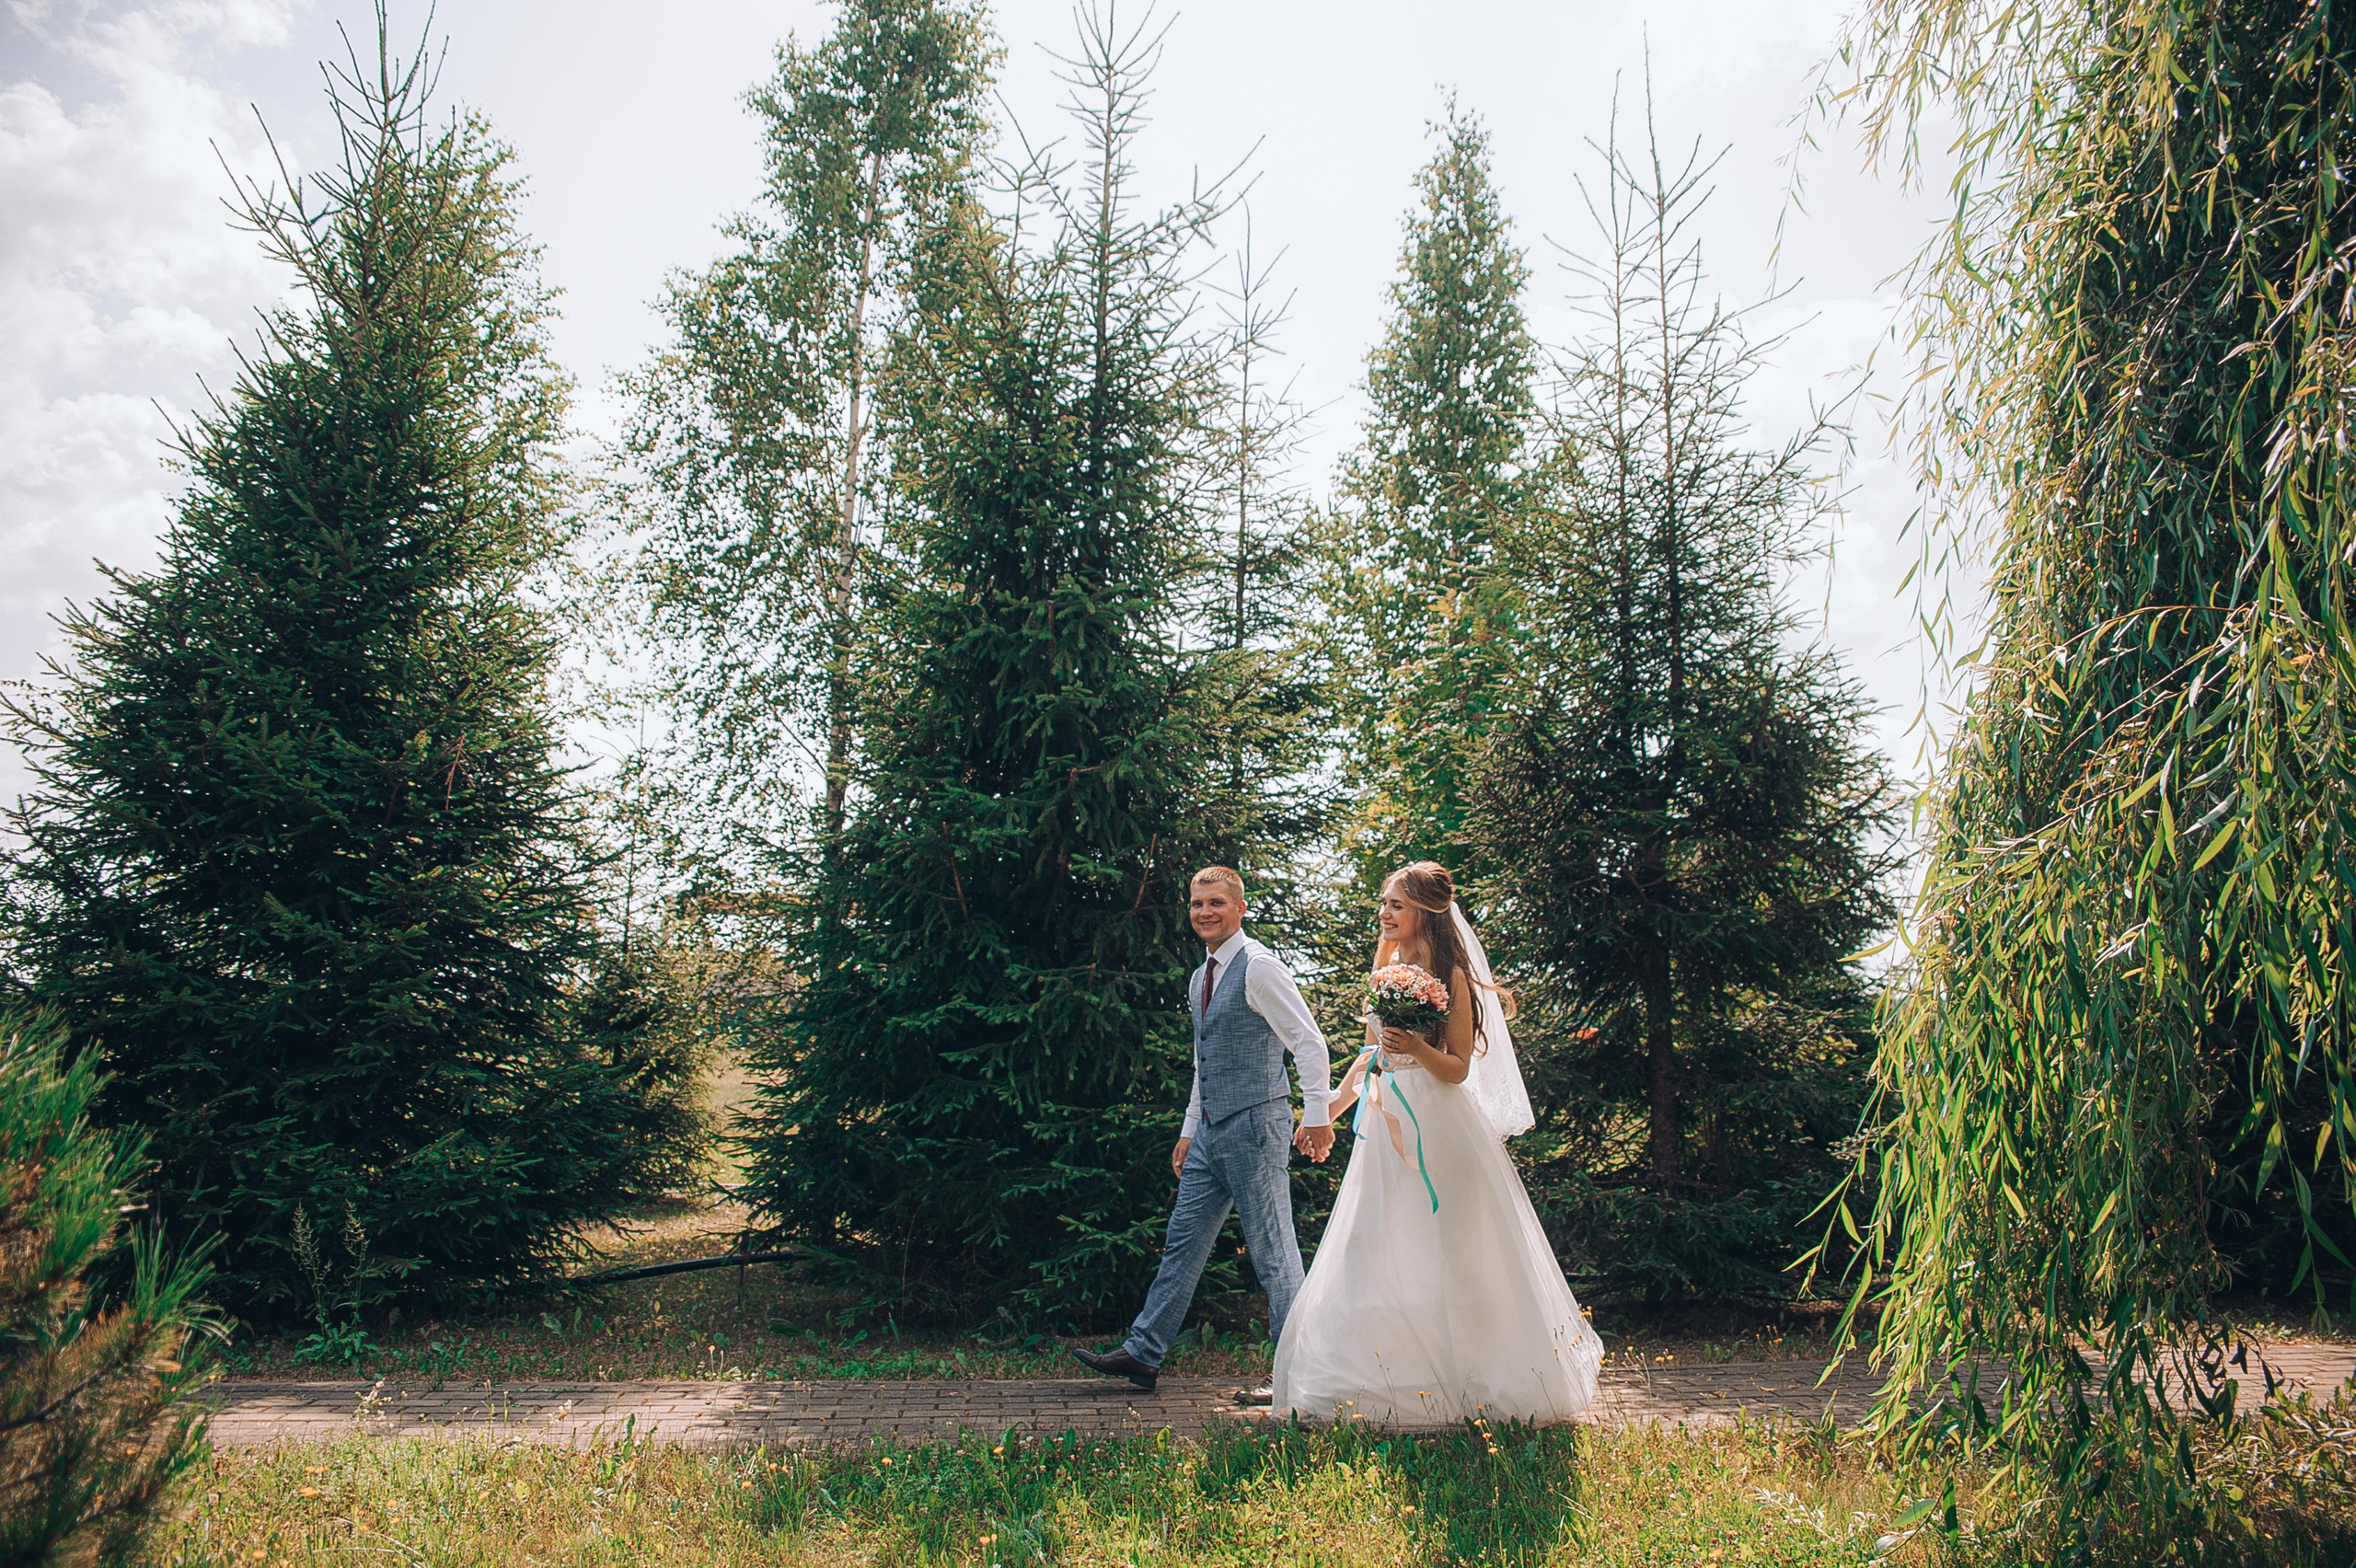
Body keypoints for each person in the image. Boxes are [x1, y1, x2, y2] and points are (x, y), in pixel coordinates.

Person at [1273, 860, 1601, 1426]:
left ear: (1424, 911)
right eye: (1385, 904)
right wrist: (1324, 1113)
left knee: (1454, 1252)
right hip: (1384, 1126)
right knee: (1373, 1245)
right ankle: (1370, 1378)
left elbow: (1454, 1070)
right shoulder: (1386, 966)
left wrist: (1414, 1047)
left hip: (1440, 1125)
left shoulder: (1451, 975)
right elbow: (1369, 1056)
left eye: (1395, 905)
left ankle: (1478, 1377)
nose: (1385, 914)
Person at [1073, 866, 1333, 1401]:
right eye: (1196, 904)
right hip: (1211, 1133)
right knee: (1183, 1244)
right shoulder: (1200, 977)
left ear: (1240, 908)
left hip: (1258, 1126)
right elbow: (1204, 1060)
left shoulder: (1259, 968)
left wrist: (1316, 1115)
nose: (1204, 912)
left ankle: (1293, 1374)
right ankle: (1143, 1353)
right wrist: (1190, 1129)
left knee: (1273, 1251)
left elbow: (1309, 1044)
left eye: (1215, 902)